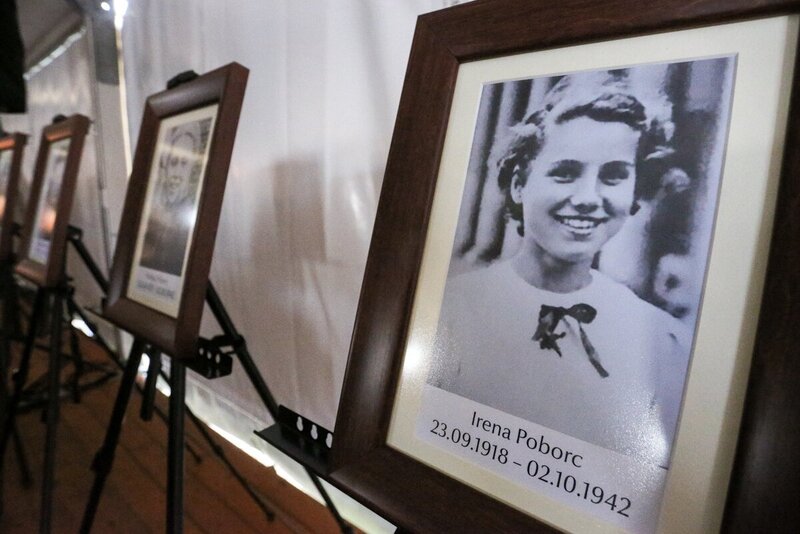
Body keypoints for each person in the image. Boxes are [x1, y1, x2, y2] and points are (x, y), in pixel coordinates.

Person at [432, 71, 691, 467]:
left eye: (613, 176)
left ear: (635, 193)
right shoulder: (450, 311)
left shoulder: (660, 341)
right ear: (519, 184)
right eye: (565, 172)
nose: (588, 198)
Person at [139, 126, 202, 276]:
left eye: (184, 163)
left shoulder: (192, 219)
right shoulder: (152, 212)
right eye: (173, 162)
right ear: (165, 166)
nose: (177, 174)